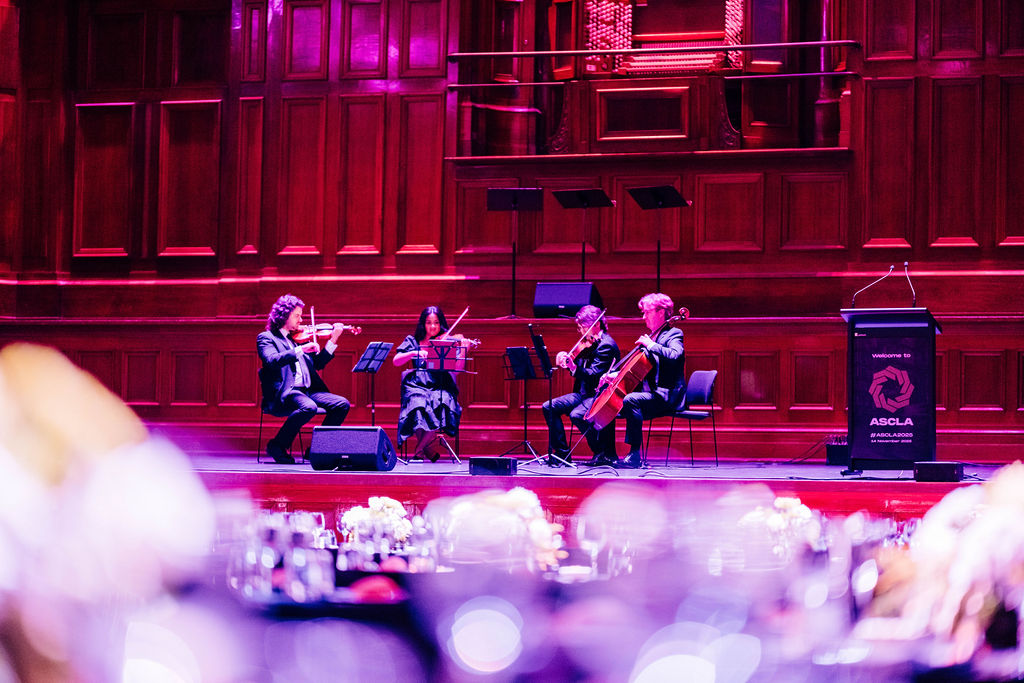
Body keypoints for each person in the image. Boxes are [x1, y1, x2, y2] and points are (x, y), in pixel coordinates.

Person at [257, 294, 351, 464]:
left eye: (301, 316)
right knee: (309, 407)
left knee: (341, 404)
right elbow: (271, 361)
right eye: (297, 315)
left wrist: (334, 339)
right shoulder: (267, 338)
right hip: (286, 391)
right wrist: (300, 350)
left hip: (307, 391)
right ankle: (277, 445)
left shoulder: (298, 339)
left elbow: (318, 363)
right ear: (284, 315)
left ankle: (317, 448)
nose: (301, 320)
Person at [603, 293, 685, 469]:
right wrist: (615, 375)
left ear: (661, 312)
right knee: (612, 401)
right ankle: (606, 454)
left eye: (647, 312)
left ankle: (634, 455)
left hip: (667, 395)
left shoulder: (673, 334)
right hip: (653, 394)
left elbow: (675, 355)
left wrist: (651, 345)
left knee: (631, 400)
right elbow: (637, 368)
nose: (643, 317)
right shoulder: (653, 336)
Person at [541, 305, 620, 467]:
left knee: (577, 415)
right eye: (579, 327)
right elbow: (577, 366)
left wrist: (574, 368)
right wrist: (565, 359)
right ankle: (562, 453)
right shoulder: (589, 343)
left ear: (596, 324)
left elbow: (594, 375)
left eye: (583, 326)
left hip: (599, 395)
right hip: (583, 394)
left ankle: (601, 452)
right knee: (549, 407)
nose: (581, 331)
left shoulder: (606, 345)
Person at [392, 306, 463, 462]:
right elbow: (396, 361)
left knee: (441, 403)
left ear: (441, 323)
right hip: (416, 385)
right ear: (423, 324)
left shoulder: (447, 341)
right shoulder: (412, 341)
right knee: (417, 403)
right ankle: (426, 449)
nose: (432, 327)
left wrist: (464, 349)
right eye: (429, 322)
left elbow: (457, 370)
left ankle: (419, 450)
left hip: (440, 384)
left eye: (436, 322)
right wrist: (414, 352)